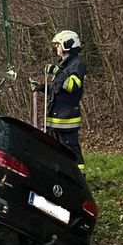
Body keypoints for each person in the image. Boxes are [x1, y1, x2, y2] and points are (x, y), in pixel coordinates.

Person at [29, 30, 87, 173]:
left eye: (58, 44)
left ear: (67, 45)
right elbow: (57, 89)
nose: (56, 47)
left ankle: (79, 177)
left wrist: (57, 72)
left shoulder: (77, 64)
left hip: (66, 119)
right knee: (54, 150)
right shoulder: (63, 64)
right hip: (55, 117)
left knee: (71, 150)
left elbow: (72, 86)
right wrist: (41, 87)